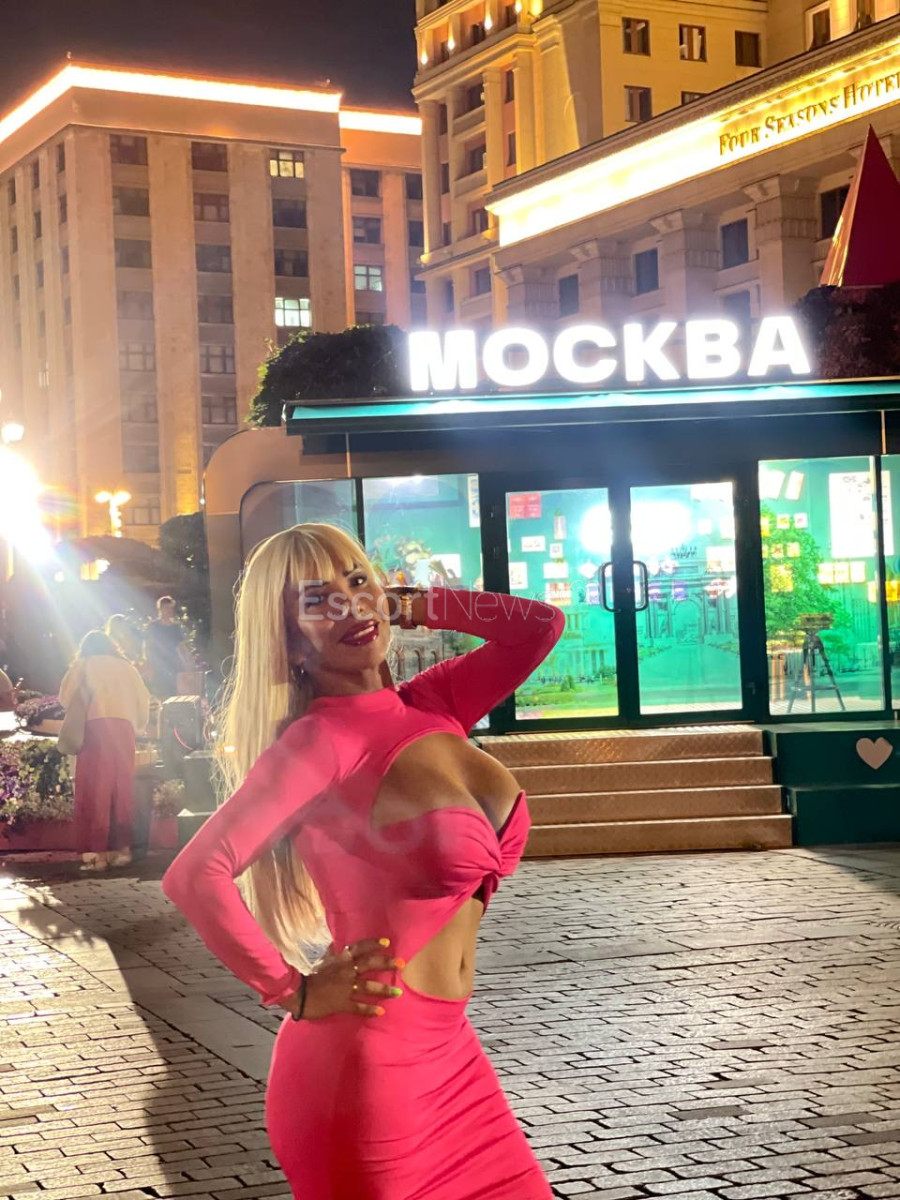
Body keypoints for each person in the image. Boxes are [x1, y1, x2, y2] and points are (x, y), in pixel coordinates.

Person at [162, 523, 564, 1199]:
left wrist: (408, 603)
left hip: (453, 1058)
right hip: (367, 1078)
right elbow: (194, 874)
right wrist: (292, 991)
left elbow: (540, 627)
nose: (349, 605)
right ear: (289, 640)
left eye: (356, 581)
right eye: (317, 600)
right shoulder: (320, 741)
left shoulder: (434, 704)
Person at [59, 630, 150, 873]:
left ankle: (97, 855)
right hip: (124, 729)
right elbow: (143, 702)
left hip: (95, 727)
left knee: (95, 788)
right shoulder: (128, 668)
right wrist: (136, 724)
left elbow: (65, 698)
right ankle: (123, 851)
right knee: (122, 787)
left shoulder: (83, 665)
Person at [143, 596, 188, 699]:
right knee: (162, 692)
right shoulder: (153, 626)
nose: (169, 611)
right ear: (160, 609)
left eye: (171, 608)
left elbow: (182, 646)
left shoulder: (175, 627)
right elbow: (147, 646)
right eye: (167, 608)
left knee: (177, 691)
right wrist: (149, 663)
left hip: (174, 663)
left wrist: (187, 663)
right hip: (159, 663)